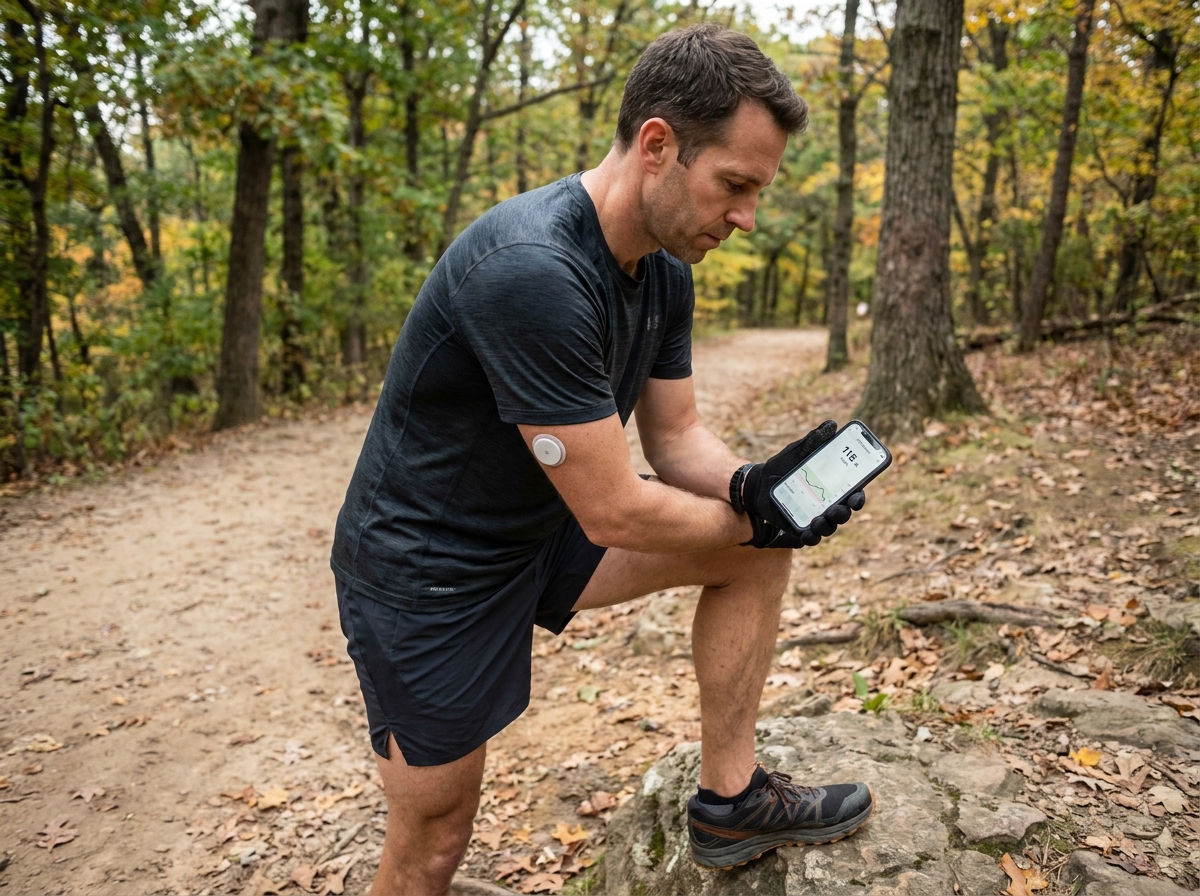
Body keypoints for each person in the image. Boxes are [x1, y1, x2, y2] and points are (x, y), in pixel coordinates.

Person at [331, 23, 873, 895]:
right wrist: (765, 514)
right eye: (734, 184)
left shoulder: (663, 268)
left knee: (757, 549)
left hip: (537, 533)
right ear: (658, 145)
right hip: (427, 569)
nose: (746, 216)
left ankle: (731, 804)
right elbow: (614, 509)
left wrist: (755, 491)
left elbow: (676, 437)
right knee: (435, 836)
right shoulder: (533, 268)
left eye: (756, 192)